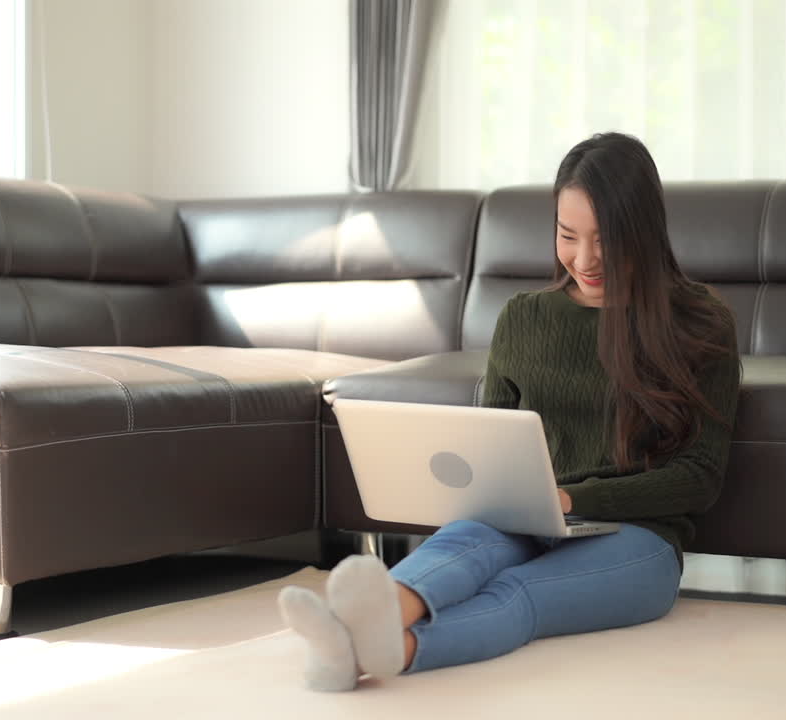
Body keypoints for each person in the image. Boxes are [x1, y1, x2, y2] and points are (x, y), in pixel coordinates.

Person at [277, 132, 743, 691]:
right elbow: (490, 447)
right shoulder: (524, 319)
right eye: (568, 236)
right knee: (463, 544)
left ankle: (373, 651)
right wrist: (503, 500)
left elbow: (700, 478)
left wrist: (574, 498)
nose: (585, 259)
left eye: (606, 240)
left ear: (643, 233)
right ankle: (372, 616)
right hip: (527, 520)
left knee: (520, 595)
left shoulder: (700, 324)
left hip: (639, 541)